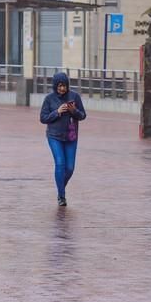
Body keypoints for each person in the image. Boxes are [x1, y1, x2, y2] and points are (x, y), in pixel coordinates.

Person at [40, 72, 87, 206]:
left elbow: (83, 116)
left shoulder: (74, 96)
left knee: (70, 168)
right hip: (54, 136)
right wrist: (57, 112)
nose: (62, 88)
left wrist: (74, 111)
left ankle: (60, 186)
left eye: (65, 86)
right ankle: (62, 196)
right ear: (55, 86)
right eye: (60, 86)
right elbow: (43, 118)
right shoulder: (49, 99)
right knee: (60, 163)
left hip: (71, 136)